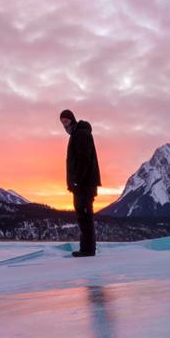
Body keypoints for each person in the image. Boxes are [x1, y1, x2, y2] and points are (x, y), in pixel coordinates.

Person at [60, 109, 101, 257]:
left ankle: (88, 249)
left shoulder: (81, 134)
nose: (64, 125)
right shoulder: (77, 134)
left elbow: (84, 159)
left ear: (72, 120)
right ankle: (88, 248)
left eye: (66, 121)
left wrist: (76, 180)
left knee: (84, 215)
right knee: (84, 215)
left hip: (84, 184)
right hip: (82, 184)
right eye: (62, 122)